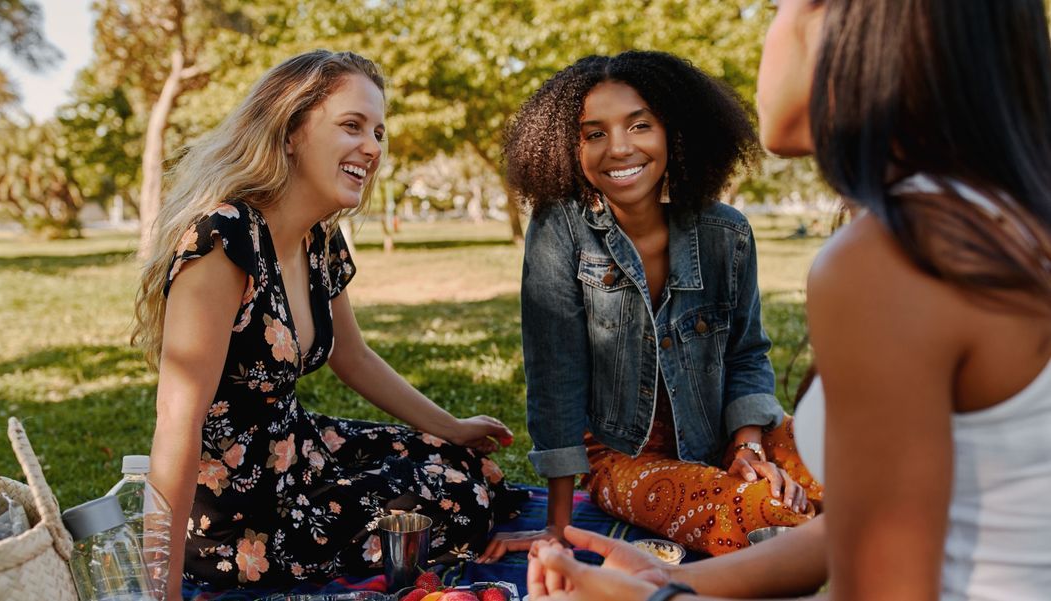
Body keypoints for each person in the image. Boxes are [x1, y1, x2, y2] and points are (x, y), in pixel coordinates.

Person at [526, 0, 1051, 599]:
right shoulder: (998, 220)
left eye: (780, 6)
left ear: (848, 27)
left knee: (774, 493)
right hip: (630, 457)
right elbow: (861, 528)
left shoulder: (892, 256)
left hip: (726, 446)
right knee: (763, 500)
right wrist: (669, 577)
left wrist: (659, 598)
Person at [132, 50, 529, 597]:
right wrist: (161, 590)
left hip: (300, 452)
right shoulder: (224, 240)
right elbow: (177, 419)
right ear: (291, 131)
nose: (373, 147)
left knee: (462, 465)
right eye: (352, 125)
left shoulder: (320, 238)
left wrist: (453, 426)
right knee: (452, 497)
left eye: (379, 132)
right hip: (237, 517)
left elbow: (353, 356)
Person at [481, 50, 822, 563]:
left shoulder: (726, 233)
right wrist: (557, 527)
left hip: (727, 435)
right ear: (567, 148)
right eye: (594, 134)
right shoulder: (560, 230)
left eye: (639, 125)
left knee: (861, 461)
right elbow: (555, 379)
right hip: (623, 457)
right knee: (758, 510)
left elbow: (747, 354)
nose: (618, 148)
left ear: (674, 132)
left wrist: (749, 449)